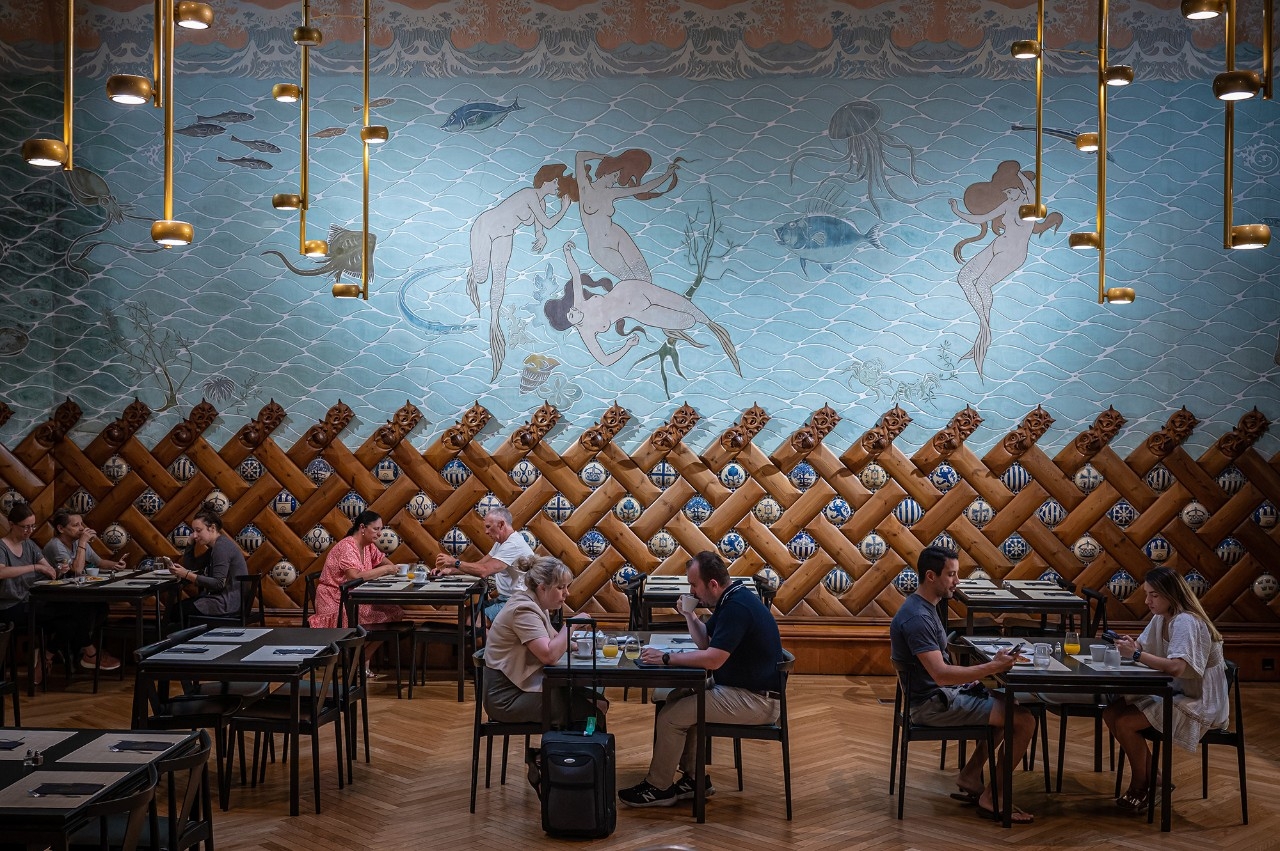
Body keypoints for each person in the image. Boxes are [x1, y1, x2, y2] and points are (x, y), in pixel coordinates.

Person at [618, 551, 783, 808]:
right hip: (742, 690)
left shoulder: (736, 607)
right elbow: (706, 641)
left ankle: (659, 787)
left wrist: (666, 658)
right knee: (676, 697)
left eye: (694, 585)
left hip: (757, 701)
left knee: (671, 717)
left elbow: (713, 659)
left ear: (713, 584)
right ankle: (695, 779)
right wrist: (689, 615)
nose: (692, 591)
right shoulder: (732, 598)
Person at [889, 545, 1037, 823]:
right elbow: (941, 675)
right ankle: (993, 798)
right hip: (930, 705)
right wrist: (992, 666)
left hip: (935, 696)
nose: (957, 582)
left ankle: (971, 776)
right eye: (952, 575)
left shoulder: (925, 606)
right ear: (931, 576)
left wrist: (990, 665)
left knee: (1009, 705)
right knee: (1024, 721)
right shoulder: (918, 618)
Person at [1103, 566, 1229, 811]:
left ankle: (1141, 784)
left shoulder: (1186, 621)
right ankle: (1156, 779)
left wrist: (1136, 654)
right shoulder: (1162, 616)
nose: (1147, 600)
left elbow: (1176, 667)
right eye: (1147, 594)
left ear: (1171, 595)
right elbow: (1143, 643)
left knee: (1126, 723)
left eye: (1154, 595)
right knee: (1112, 712)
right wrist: (1132, 644)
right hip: (1177, 691)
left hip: (1199, 700)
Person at [544, 240, 740, 373]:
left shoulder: (579, 302)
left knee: (686, 306)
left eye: (569, 308)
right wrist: (627, 346)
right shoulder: (586, 333)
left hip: (633, 289)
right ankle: (705, 329)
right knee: (686, 321)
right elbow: (604, 360)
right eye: (570, 315)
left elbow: (575, 274)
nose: (573, 310)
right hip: (638, 311)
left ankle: (714, 327)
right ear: (570, 324)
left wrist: (567, 252)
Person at [466, 163, 575, 381]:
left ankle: (494, 321)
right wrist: (564, 208)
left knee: (500, 280)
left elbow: (540, 227)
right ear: (545, 180)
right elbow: (547, 222)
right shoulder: (529, 194)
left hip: (505, 235)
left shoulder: (540, 202)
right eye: (555, 181)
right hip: (487, 227)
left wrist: (541, 237)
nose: (557, 186)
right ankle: (473, 278)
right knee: (481, 277)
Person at [482, 554, 607, 727]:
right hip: (507, 697)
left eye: (567, 586)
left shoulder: (537, 604)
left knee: (598, 702)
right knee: (592, 710)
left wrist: (579, 647)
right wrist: (571, 625)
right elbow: (549, 655)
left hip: (524, 686)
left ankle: (563, 752)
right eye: (561, 587)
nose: (567, 593)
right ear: (542, 588)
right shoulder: (523, 610)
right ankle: (558, 754)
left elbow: (554, 640)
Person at [0, 502, 116, 678]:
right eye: (25, 527)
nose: (29, 531)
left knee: (73, 619)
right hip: (11, 606)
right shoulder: (2, 547)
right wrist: (34, 567)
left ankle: (46, 656)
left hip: (31, 601)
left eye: (32, 526)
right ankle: (90, 653)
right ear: (11, 524)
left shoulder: (29, 544)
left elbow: (48, 569)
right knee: (75, 611)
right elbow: (2, 572)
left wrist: (58, 570)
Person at [574, 148, 679, 284]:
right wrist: (604, 156)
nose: (616, 180)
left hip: (616, 234)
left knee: (645, 277)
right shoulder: (584, 187)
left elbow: (643, 188)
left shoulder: (611, 193)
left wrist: (667, 175)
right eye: (615, 175)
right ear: (607, 171)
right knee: (631, 280)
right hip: (599, 246)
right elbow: (580, 155)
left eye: (618, 177)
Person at [432, 506, 533, 621]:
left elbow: (484, 571)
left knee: (473, 621)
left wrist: (455, 562)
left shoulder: (513, 544)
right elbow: (480, 565)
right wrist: (450, 571)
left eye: (489, 527)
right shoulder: (502, 542)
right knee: (465, 614)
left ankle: (495, 639)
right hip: (506, 599)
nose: (486, 531)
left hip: (518, 601)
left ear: (501, 524)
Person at [310, 510, 403, 630]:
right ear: (362, 527)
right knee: (382, 616)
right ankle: (358, 648)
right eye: (376, 529)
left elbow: (383, 561)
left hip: (353, 597)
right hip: (336, 599)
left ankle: (362, 648)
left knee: (394, 610)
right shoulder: (347, 546)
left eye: (381, 529)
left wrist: (393, 569)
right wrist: (386, 570)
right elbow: (354, 577)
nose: (380, 534)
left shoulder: (368, 545)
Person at [171, 505, 248, 623]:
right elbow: (192, 566)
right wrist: (190, 543)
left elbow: (218, 583)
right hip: (225, 600)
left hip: (226, 602)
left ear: (212, 528)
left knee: (177, 611)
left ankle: (178, 641)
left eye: (198, 530)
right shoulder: (215, 547)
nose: (195, 535)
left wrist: (186, 575)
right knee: (178, 609)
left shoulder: (221, 547)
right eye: (193, 531)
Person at [43, 509, 127, 576]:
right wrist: (83, 542)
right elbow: (76, 571)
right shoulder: (55, 545)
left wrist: (116, 565)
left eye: (81, 524)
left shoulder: (77, 541)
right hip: (50, 591)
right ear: (61, 528)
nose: (82, 528)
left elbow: (99, 562)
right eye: (76, 525)